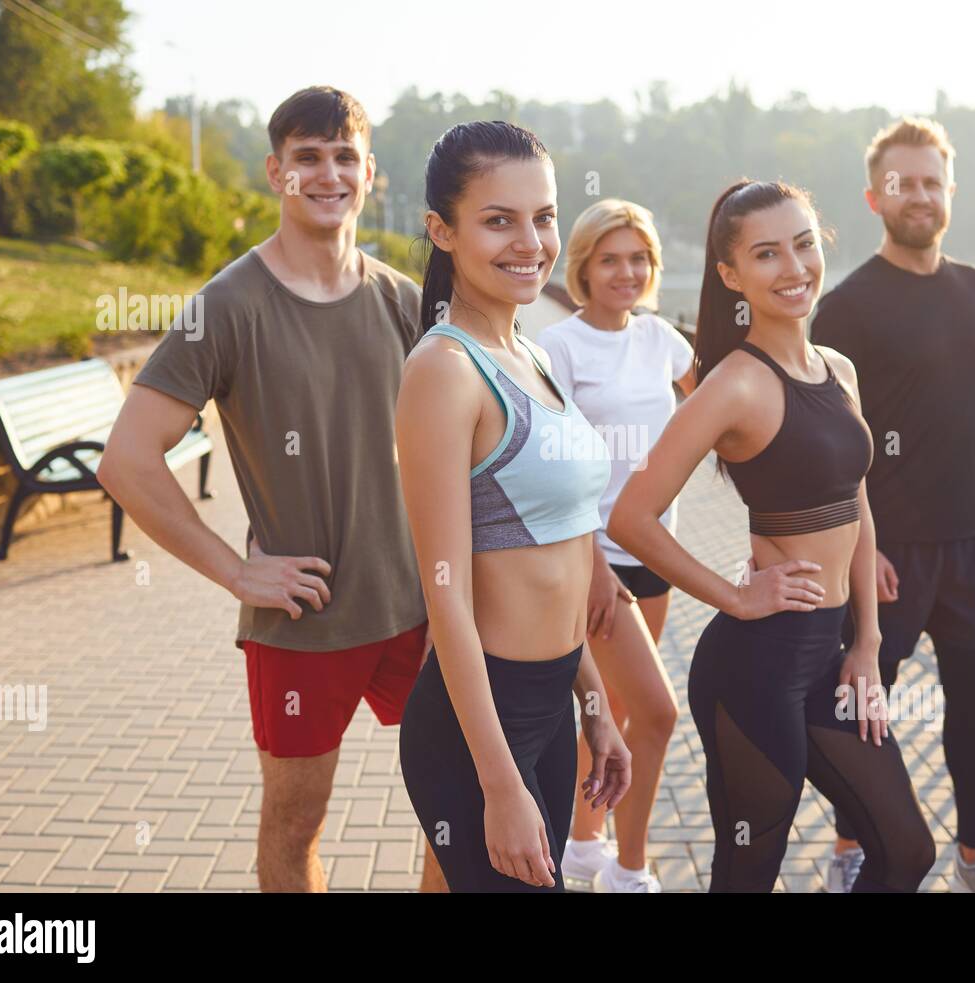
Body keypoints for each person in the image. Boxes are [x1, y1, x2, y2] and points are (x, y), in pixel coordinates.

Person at [98, 86, 448, 892]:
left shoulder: (408, 301)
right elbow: (127, 460)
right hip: (302, 622)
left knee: (455, 805)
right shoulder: (224, 307)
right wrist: (235, 570)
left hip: (420, 611)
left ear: (370, 176)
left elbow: (465, 452)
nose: (327, 174)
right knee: (295, 826)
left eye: (344, 157)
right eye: (307, 158)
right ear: (276, 172)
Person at [608, 179, 936, 893]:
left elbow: (857, 503)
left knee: (907, 849)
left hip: (834, 655)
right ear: (732, 275)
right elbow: (630, 516)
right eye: (766, 254)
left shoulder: (838, 370)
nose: (794, 268)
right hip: (754, 668)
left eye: (804, 243)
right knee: (750, 870)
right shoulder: (733, 384)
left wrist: (869, 646)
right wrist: (735, 595)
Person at [395, 120, 632, 892]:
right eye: (498, 220)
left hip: (549, 710)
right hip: (477, 732)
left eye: (543, 216)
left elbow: (561, 560)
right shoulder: (446, 370)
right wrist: (500, 785)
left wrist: (595, 702)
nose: (530, 241)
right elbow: (447, 595)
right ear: (442, 231)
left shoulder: (527, 350)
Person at [811, 117, 975, 893]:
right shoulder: (845, 307)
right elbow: (828, 439)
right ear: (876, 197)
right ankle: (850, 847)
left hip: (974, 543)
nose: (920, 194)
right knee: (862, 706)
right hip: (888, 550)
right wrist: (853, 546)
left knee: (974, 705)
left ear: (951, 192)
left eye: (932, 180)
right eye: (903, 182)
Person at [536, 198, 696, 893]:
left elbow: (720, 408)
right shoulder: (560, 347)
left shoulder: (663, 339)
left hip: (654, 553)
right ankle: (630, 872)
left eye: (639, 258)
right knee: (657, 712)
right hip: (594, 561)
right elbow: (551, 464)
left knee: (617, 711)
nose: (626, 271)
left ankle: (580, 842)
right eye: (611, 259)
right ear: (584, 267)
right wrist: (592, 562)